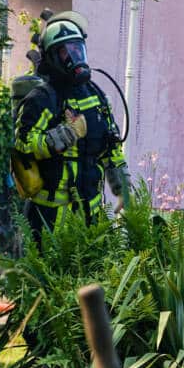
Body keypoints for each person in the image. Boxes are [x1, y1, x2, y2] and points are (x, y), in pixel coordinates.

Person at [14, 13, 130, 241]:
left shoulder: (96, 95)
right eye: (67, 51)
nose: (75, 57)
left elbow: (111, 146)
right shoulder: (42, 98)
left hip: (92, 214)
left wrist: (122, 188)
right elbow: (23, 145)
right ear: (53, 58)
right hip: (48, 217)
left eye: (78, 50)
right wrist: (66, 134)